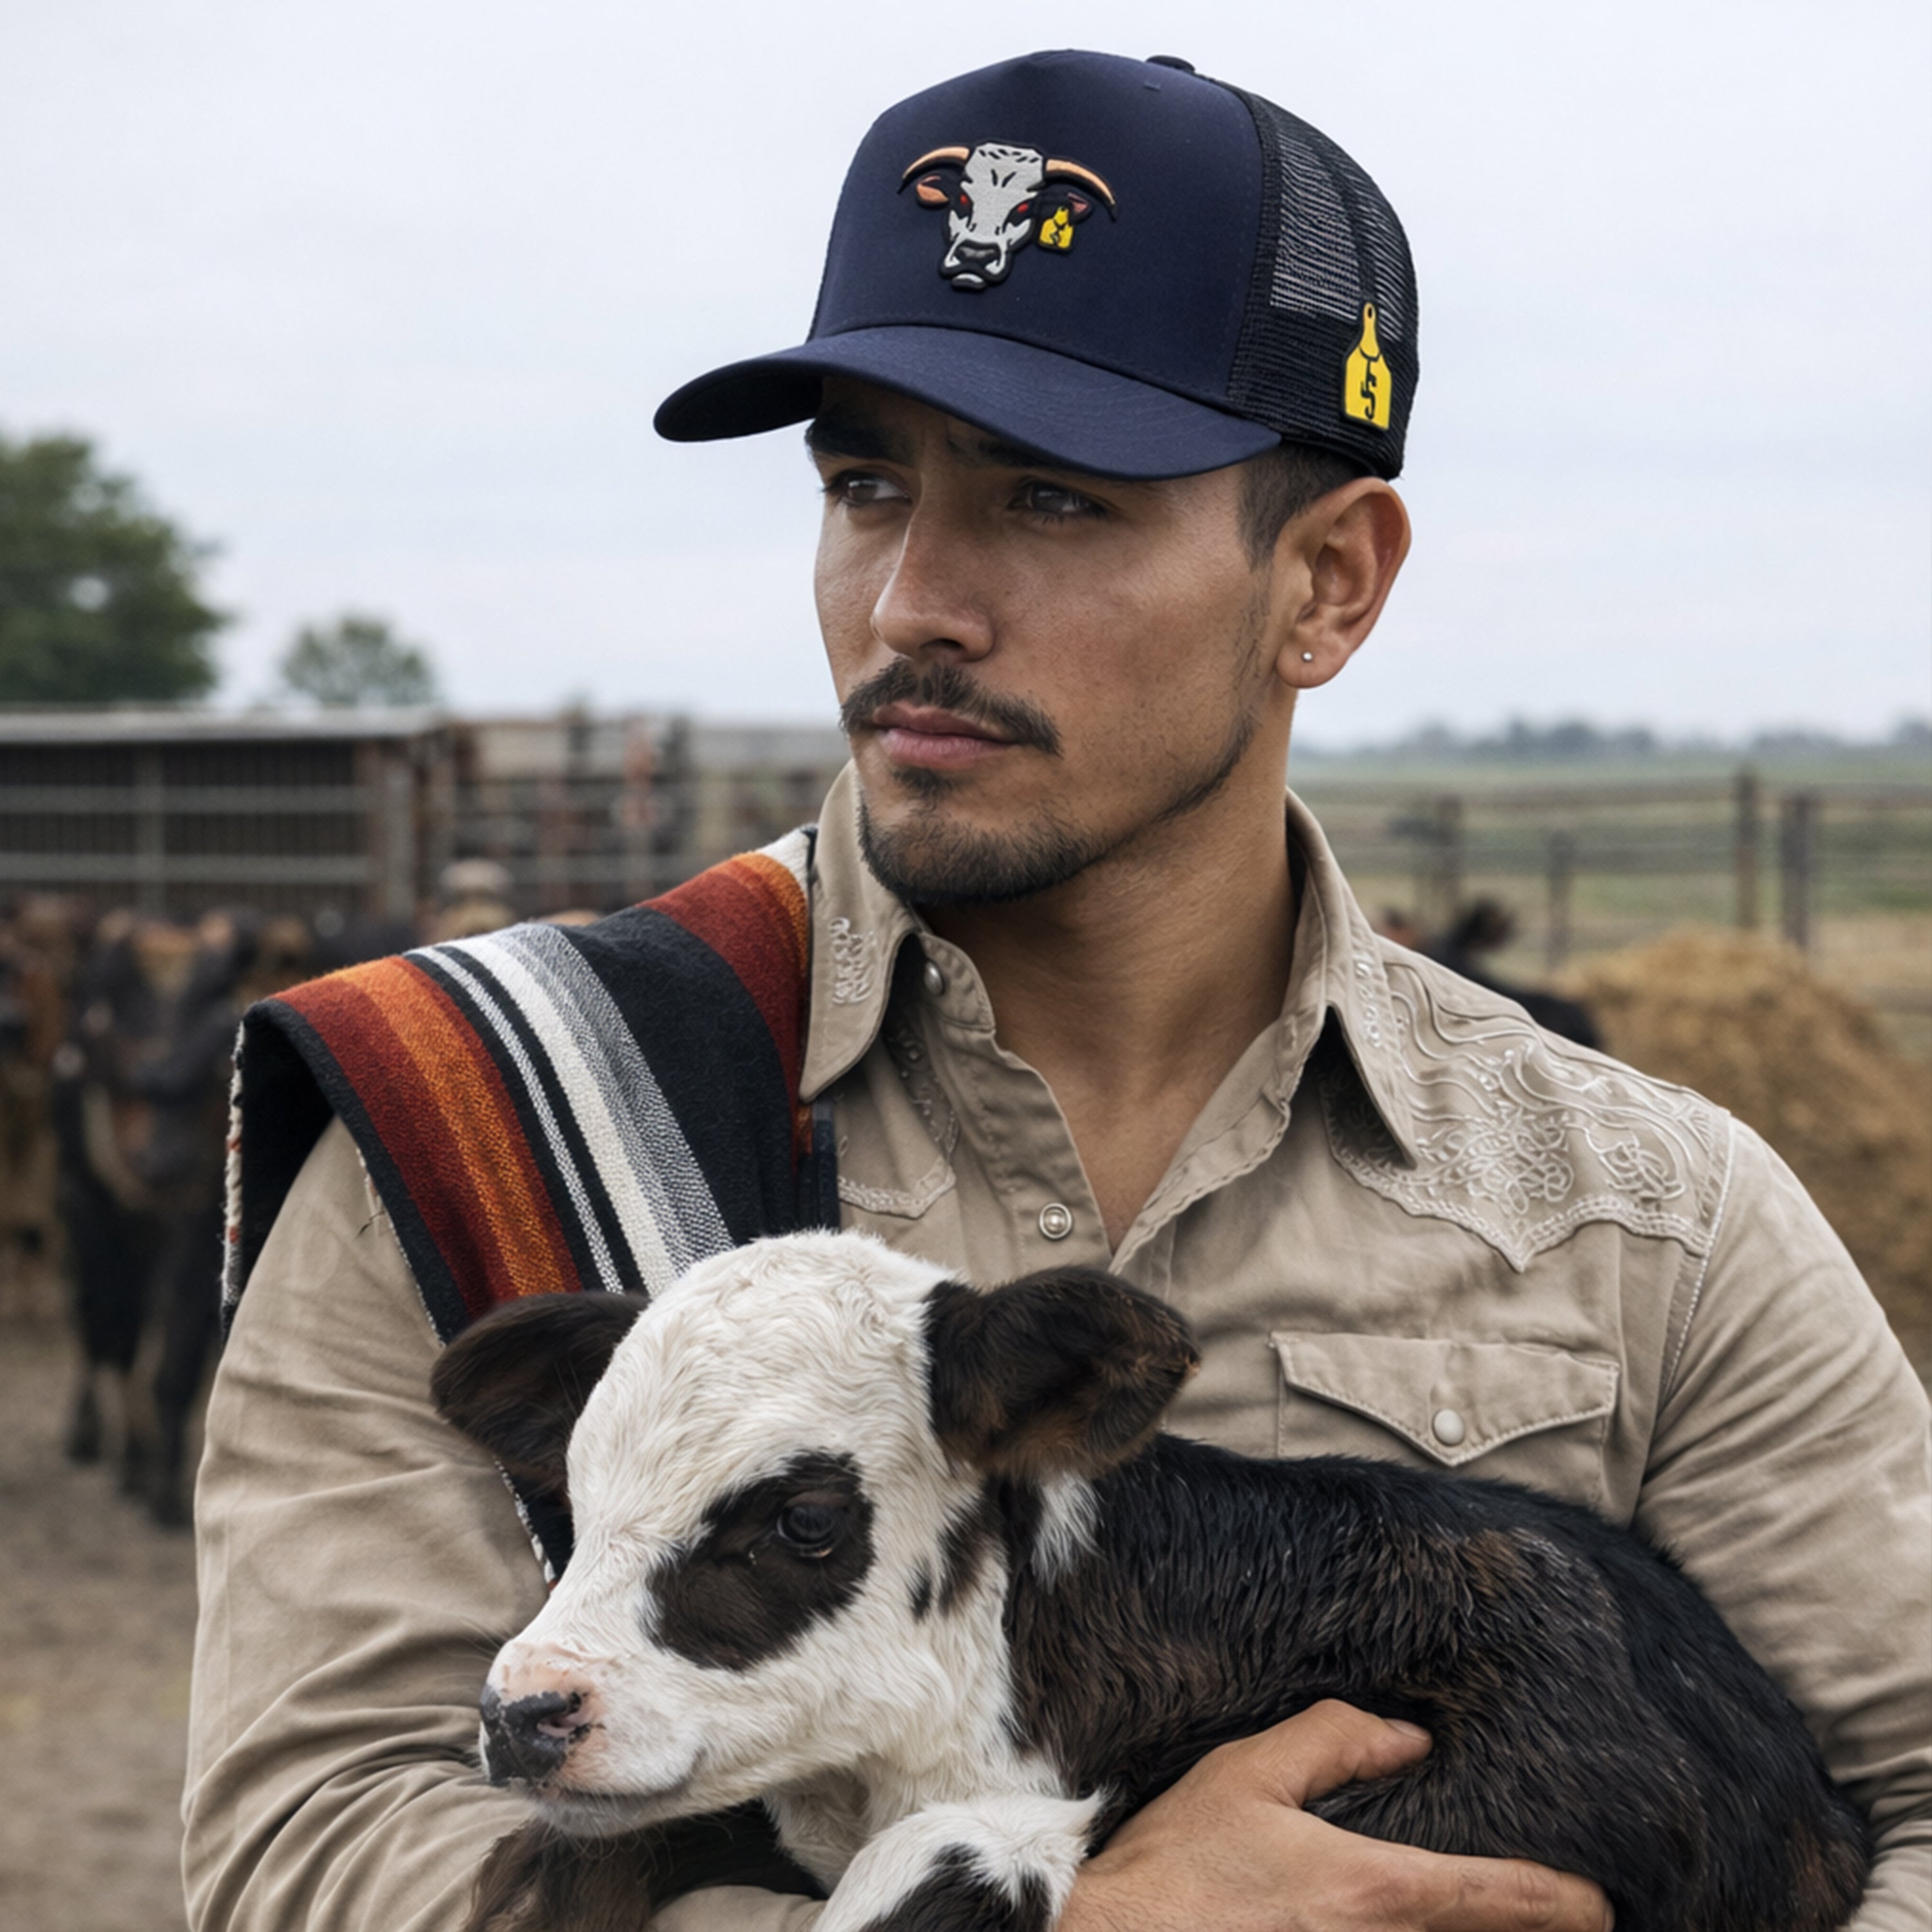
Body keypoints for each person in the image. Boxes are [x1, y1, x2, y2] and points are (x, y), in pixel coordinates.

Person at [184, 50, 1930, 1932]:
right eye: (866, 481)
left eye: (1053, 499)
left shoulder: (1649, 1216)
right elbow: (309, 1841)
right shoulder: (479, 1110)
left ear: (1326, 586)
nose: (913, 597)